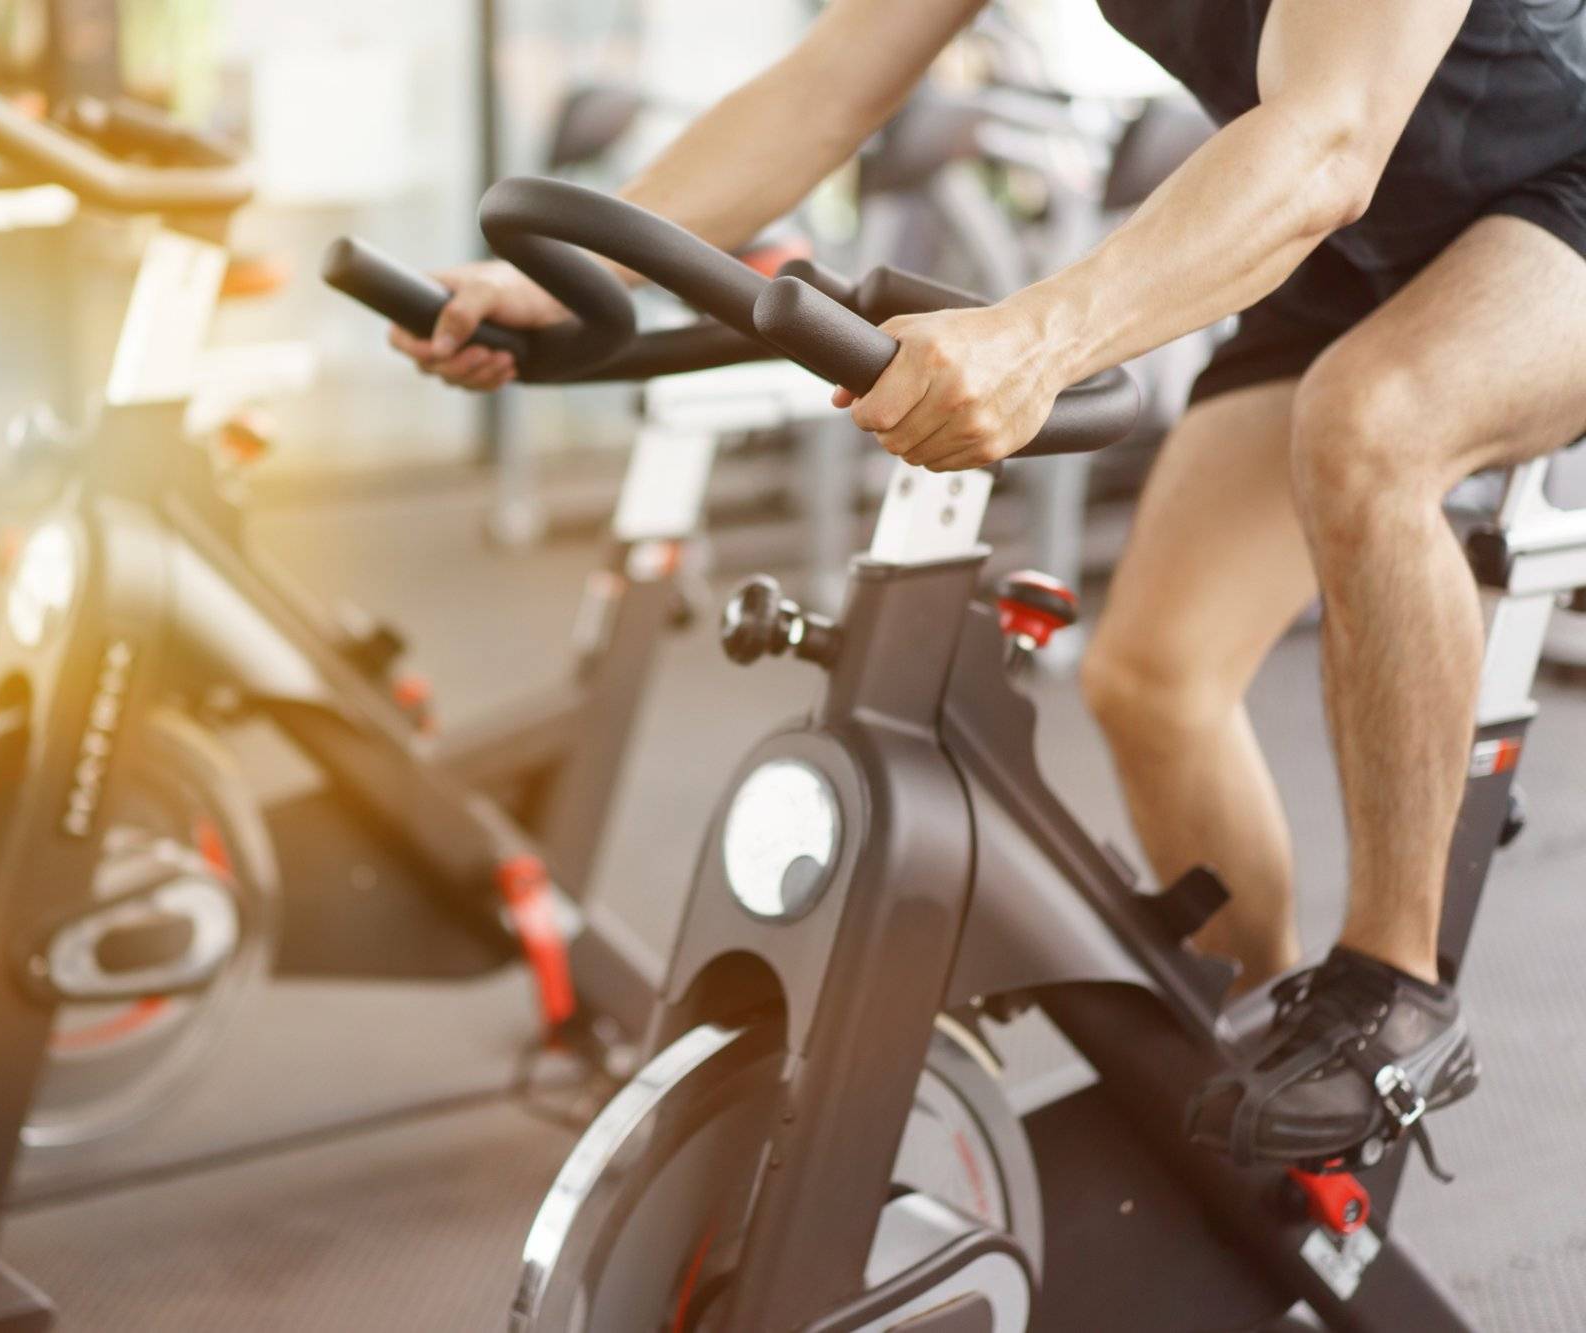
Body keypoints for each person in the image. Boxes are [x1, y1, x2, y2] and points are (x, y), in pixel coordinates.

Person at [388, 0, 1586, 1171]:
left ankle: (1396, 996)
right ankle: (1276, 1064)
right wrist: (563, 272)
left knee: (1371, 425)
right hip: (1367, 241)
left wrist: (1039, 337)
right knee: (1152, 682)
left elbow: (1327, 138)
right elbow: (828, 83)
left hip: (1542, 192)